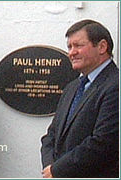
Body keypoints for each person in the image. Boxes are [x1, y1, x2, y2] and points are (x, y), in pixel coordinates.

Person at [41, 19, 119, 178]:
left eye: (78, 46)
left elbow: (103, 142)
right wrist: (50, 166)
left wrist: (58, 169)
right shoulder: (72, 87)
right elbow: (52, 135)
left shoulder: (115, 85)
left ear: (102, 47)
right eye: (69, 47)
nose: (71, 52)